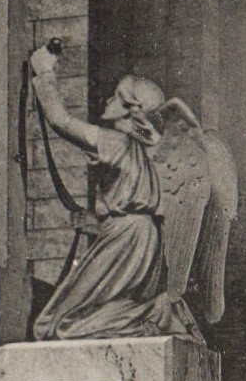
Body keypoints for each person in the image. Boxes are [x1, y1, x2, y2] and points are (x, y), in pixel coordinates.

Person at [29, 45, 199, 341]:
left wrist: (44, 71)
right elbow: (138, 200)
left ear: (132, 108)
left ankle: (157, 314)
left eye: (117, 96)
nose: (108, 99)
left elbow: (60, 121)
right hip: (143, 238)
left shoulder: (114, 142)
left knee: (58, 324)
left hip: (126, 239)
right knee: (74, 318)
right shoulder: (150, 149)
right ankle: (154, 313)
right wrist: (99, 224)